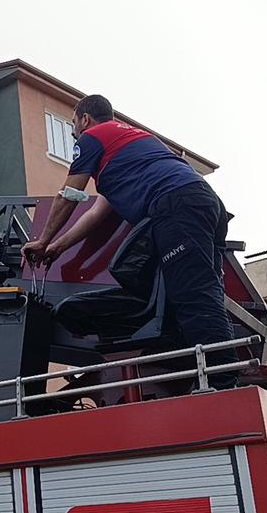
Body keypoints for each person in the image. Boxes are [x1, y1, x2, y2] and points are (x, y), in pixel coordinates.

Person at [21, 94, 238, 389]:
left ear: (85, 119)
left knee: (192, 296)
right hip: (206, 203)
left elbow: (69, 194)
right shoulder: (129, 145)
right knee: (202, 292)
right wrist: (56, 248)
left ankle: (223, 382)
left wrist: (42, 239)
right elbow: (96, 214)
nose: (73, 132)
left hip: (176, 205)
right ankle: (220, 373)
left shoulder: (92, 137)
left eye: (72, 124)